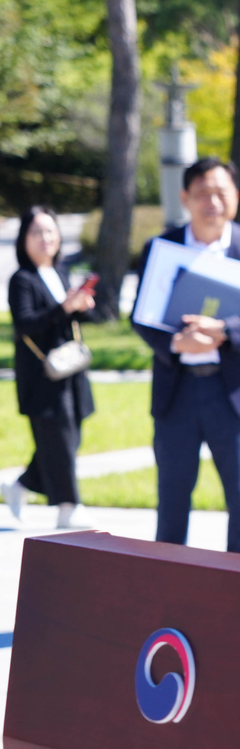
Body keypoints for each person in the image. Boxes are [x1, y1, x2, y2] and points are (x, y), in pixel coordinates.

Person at [131, 157, 240, 555]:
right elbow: (141, 316)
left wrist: (226, 332)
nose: (212, 202)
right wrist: (173, 344)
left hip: (231, 392)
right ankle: (168, 594)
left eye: (221, 192)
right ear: (186, 197)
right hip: (177, 393)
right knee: (172, 502)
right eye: (203, 193)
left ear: (235, 197)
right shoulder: (161, 248)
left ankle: (239, 593)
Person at [4, 206, 96, 528]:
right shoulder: (21, 280)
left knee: (70, 437)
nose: (45, 239)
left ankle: (21, 485)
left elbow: (64, 319)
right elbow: (27, 323)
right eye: (37, 232)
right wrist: (63, 307)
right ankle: (69, 507)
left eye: (50, 232)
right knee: (58, 438)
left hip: (70, 370)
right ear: (23, 239)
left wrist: (80, 307)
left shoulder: (60, 273)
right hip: (42, 375)